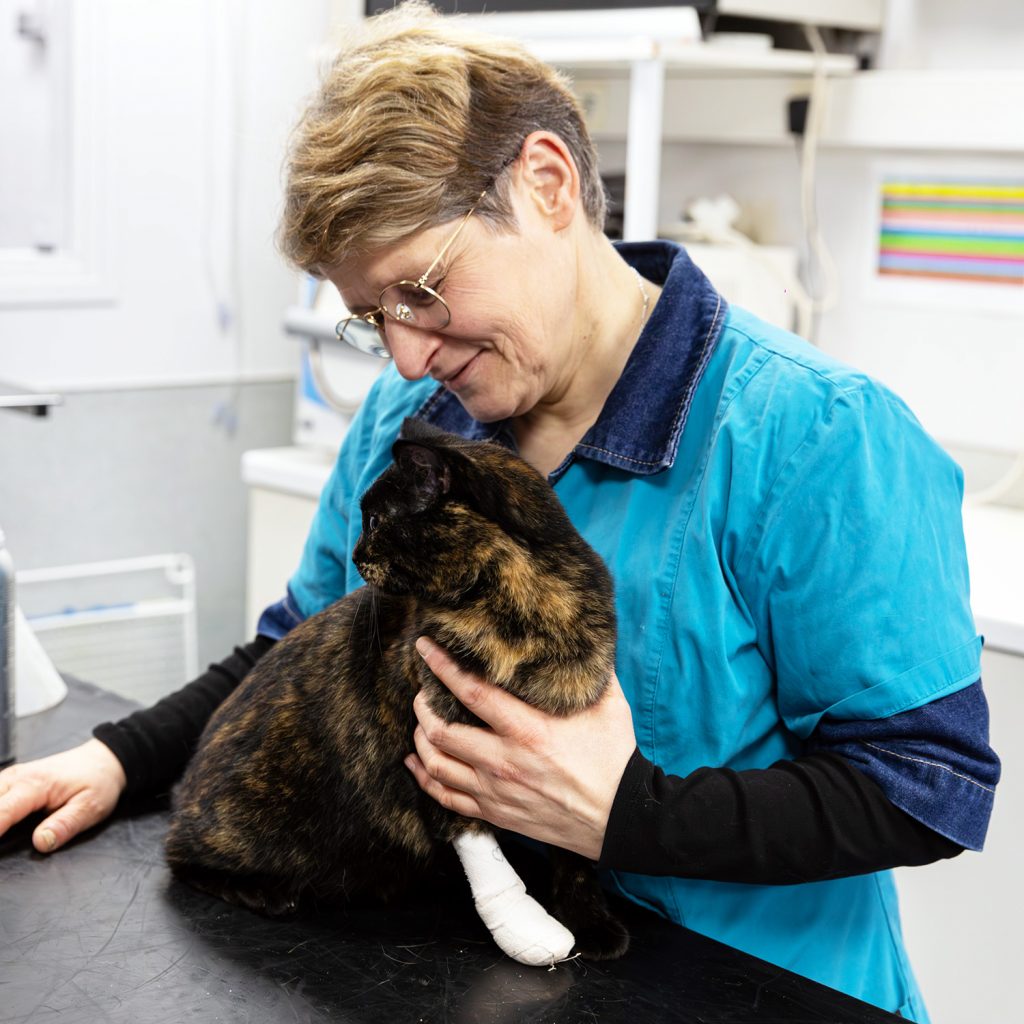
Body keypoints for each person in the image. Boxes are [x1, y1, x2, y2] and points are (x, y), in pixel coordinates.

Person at [0, 3, 999, 1019]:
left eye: (418, 290)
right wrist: (122, 757)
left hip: (752, 991)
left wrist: (626, 816)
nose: (402, 353)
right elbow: (305, 640)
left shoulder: (818, 438)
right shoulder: (415, 421)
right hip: (485, 974)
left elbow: (922, 788)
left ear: (547, 184)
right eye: (369, 318)